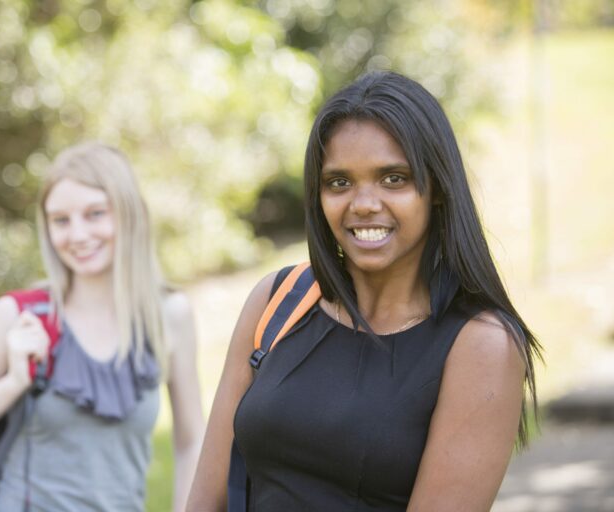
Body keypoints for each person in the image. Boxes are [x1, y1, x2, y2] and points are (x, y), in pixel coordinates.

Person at [186, 71, 541, 511]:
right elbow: (205, 501)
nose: (363, 203)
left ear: (437, 189)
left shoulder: (481, 345)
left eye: (393, 178)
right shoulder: (281, 299)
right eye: (339, 182)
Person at [0, 142, 204, 512]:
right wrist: (12, 384)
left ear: (130, 214)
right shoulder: (19, 316)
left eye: (95, 213)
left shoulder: (170, 316)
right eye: (61, 220)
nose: (78, 235)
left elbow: (191, 441)